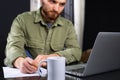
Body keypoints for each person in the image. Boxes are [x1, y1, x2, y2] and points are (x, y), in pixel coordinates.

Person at [4, 0, 82, 74]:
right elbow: (12, 48)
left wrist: (53, 57)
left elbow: (76, 51)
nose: (56, 9)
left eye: (62, 4)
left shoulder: (68, 25)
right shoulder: (22, 20)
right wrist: (20, 62)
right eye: (52, 1)